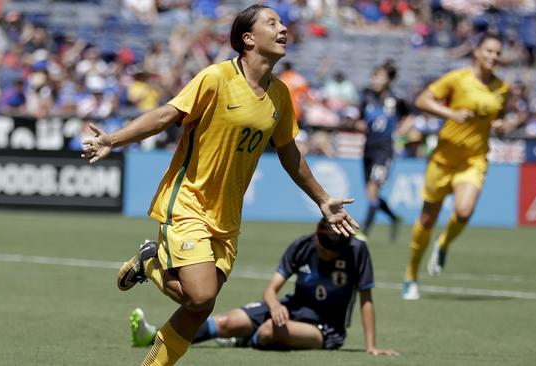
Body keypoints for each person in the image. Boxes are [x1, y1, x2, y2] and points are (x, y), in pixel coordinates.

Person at [81, 5, 358, 366]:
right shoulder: (216, 77)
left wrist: (322, 200)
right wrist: (112, 140)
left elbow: (290, 154)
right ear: (248, 39)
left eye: (282, 22)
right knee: (200, 295)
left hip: (227, 217)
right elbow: (167, 115)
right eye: (272, 23)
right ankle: (151, 261)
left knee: (200, 307)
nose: (283, 28)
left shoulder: (281, 96)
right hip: (188, 202)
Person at [129, 219, 398, 357]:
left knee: (270, 330)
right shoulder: (302, 245)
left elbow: (366, 298)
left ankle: (244, 338)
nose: (322, 254)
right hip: (289, 309)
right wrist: (276, 304)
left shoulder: (357, 251)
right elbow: (271, 291)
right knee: (227, 320)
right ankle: (151, 337)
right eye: (320, 247)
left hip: (325, 328)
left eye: (328, 252)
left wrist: (371, 345)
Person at [402, 33, 509, 300]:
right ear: (477, 52)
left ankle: (443, 243)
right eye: (489, 51)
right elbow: (422, 101)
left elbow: (498, 119)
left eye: (498, 53)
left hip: (474, 159)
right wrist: (451, 113)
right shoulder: (458, 78)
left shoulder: (502, 88)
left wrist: (503, 126)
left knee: (464, 211)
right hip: (443, 159)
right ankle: (411, 275)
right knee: (427, 219)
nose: (493, 57)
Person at [357, 62, 411, 241]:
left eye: (379, 76)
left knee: (373, 189)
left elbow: (410, 116)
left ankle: (364, 231)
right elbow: (360, 118)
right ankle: (394, 218)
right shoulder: (366, 96)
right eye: (374, 76)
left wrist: (400, 133)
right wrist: (359, 124)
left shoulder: (396, 99)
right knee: (371, 193)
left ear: (388, 79)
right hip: (368, 148)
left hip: (385, 150)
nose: (375, 80)